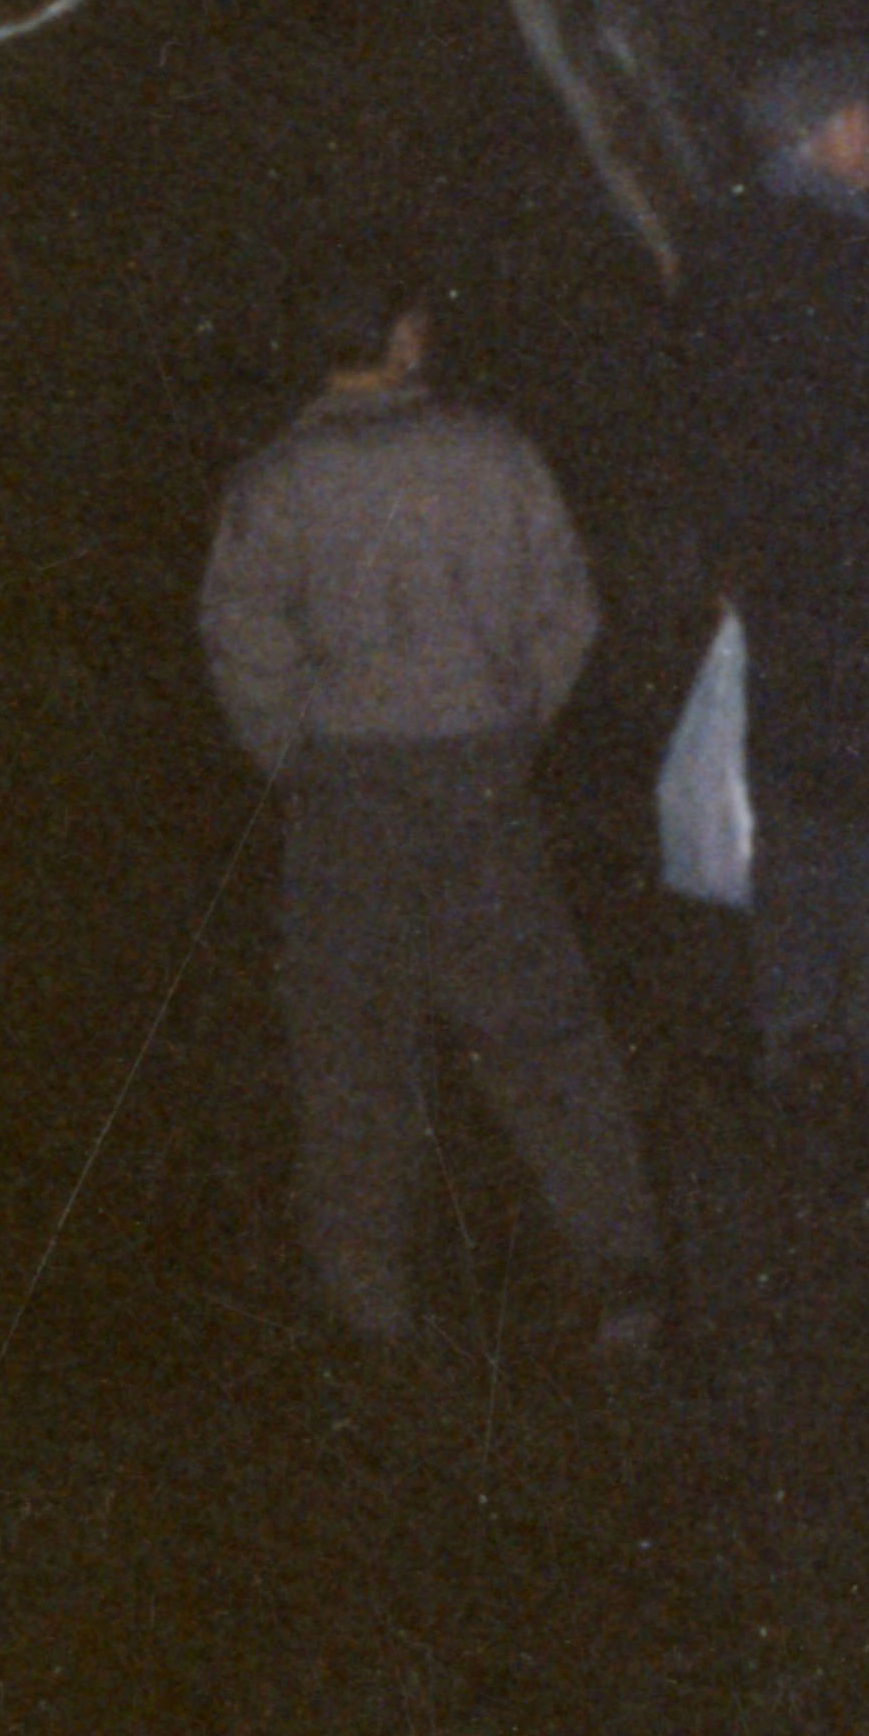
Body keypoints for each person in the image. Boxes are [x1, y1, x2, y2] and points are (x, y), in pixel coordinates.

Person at [198, 248, 664, 1367]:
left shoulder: (274, 482)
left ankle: (367, 1297)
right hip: (478, 775)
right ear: (405, 337)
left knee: (351, 1041)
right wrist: (511, 724)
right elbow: (568, 609)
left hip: (344, 785)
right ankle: (622, 1272)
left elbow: (241, 645)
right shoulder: (494, 454)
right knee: (539, 1029)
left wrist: (298, 756)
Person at [687, 45, 869, 1082]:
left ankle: (795, 1012)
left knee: (799, 786)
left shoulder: (724, 249)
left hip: (786, 574)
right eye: (864, 111)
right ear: (812, 134)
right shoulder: (859, 258)